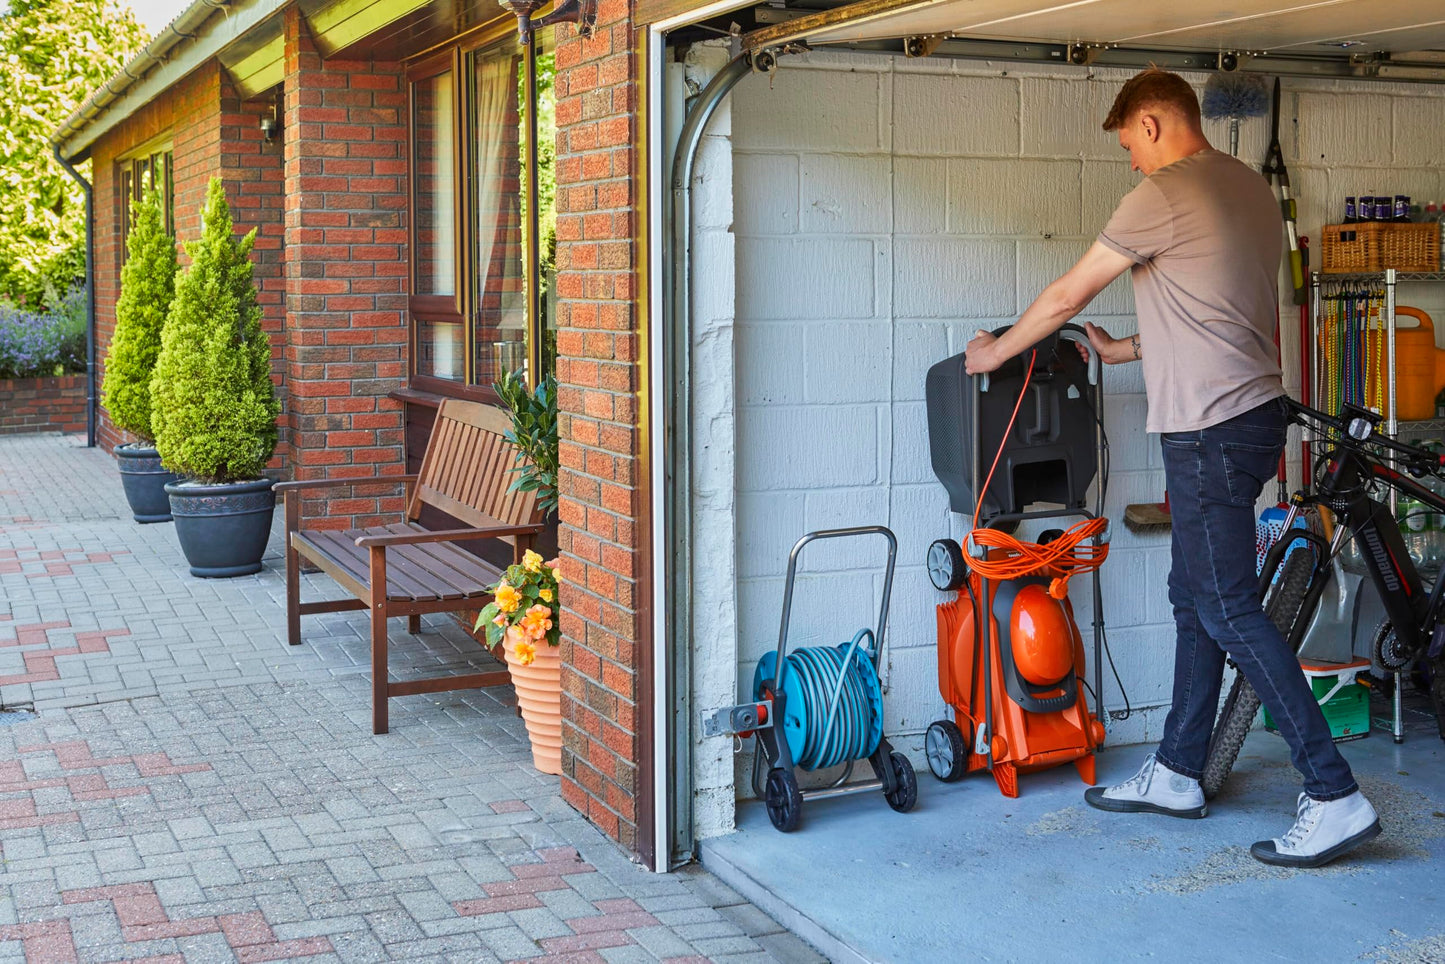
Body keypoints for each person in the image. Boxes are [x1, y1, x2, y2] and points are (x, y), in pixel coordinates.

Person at [963, 68, 1379, 869]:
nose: (1128, 163)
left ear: (1153, 124)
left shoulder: (1160, 193)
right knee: (1193, 596)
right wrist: (1125, 349)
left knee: (1224, 607)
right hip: (1250, 417)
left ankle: (1331, 793)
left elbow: (1062, 296)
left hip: (1208, 431)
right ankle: (1179, 771)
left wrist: (995, 350)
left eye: (1127, 144)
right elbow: (1217, 311)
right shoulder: (1246, 191)